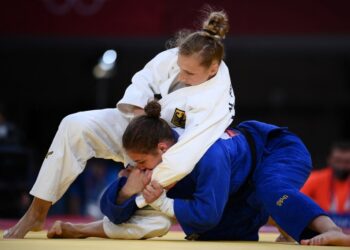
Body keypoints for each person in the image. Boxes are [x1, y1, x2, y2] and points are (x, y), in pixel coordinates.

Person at [4, 8, 235, 239]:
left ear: (212, 69)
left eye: (189, 73)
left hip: (161, 159)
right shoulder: (182, 54)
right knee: (74, 124)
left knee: (155, 224)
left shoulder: (217, 101)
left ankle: (81, 229)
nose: (182, 75)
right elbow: (143, 81)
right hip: (138, 127)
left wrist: (137, 187)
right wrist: (137, 116)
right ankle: (37, 212)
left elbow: (185, 154)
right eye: (180, 67)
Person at [47, 101, 350, 246]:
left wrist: (161, 202)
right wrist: (128, 190)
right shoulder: (154, 160)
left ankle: (333, 230)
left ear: (163, 149)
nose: (136, 167)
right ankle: (80, 229)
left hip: (274, 151)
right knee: (218, 236)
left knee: (270, 190)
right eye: (133, 162)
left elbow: (206, 214)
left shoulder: (207, 155)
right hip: (238, 186)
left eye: (141, 161)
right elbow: (117, 211)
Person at [301, 142, 350, 228]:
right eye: (338, 161)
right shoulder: (314, 179)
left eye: (347, 162)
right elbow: (296, 203)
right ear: (329, 159)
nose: (342, 166)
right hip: (320, 230)